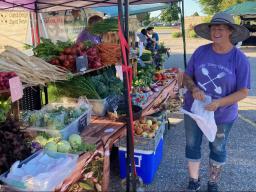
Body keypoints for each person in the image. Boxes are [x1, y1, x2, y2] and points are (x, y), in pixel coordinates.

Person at [182, 12, 250, 192]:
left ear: (230, 32)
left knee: (218, 148)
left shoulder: (239, 58)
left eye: (221, 28)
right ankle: (193, 181)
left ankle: (212, 182)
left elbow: (244, 91)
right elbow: (187, 76)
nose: (216, 31)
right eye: (213, 28)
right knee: (192, 144)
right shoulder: (200, 52)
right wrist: (194, 88)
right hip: (194, 110)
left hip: (222, 114)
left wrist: (219, 103)